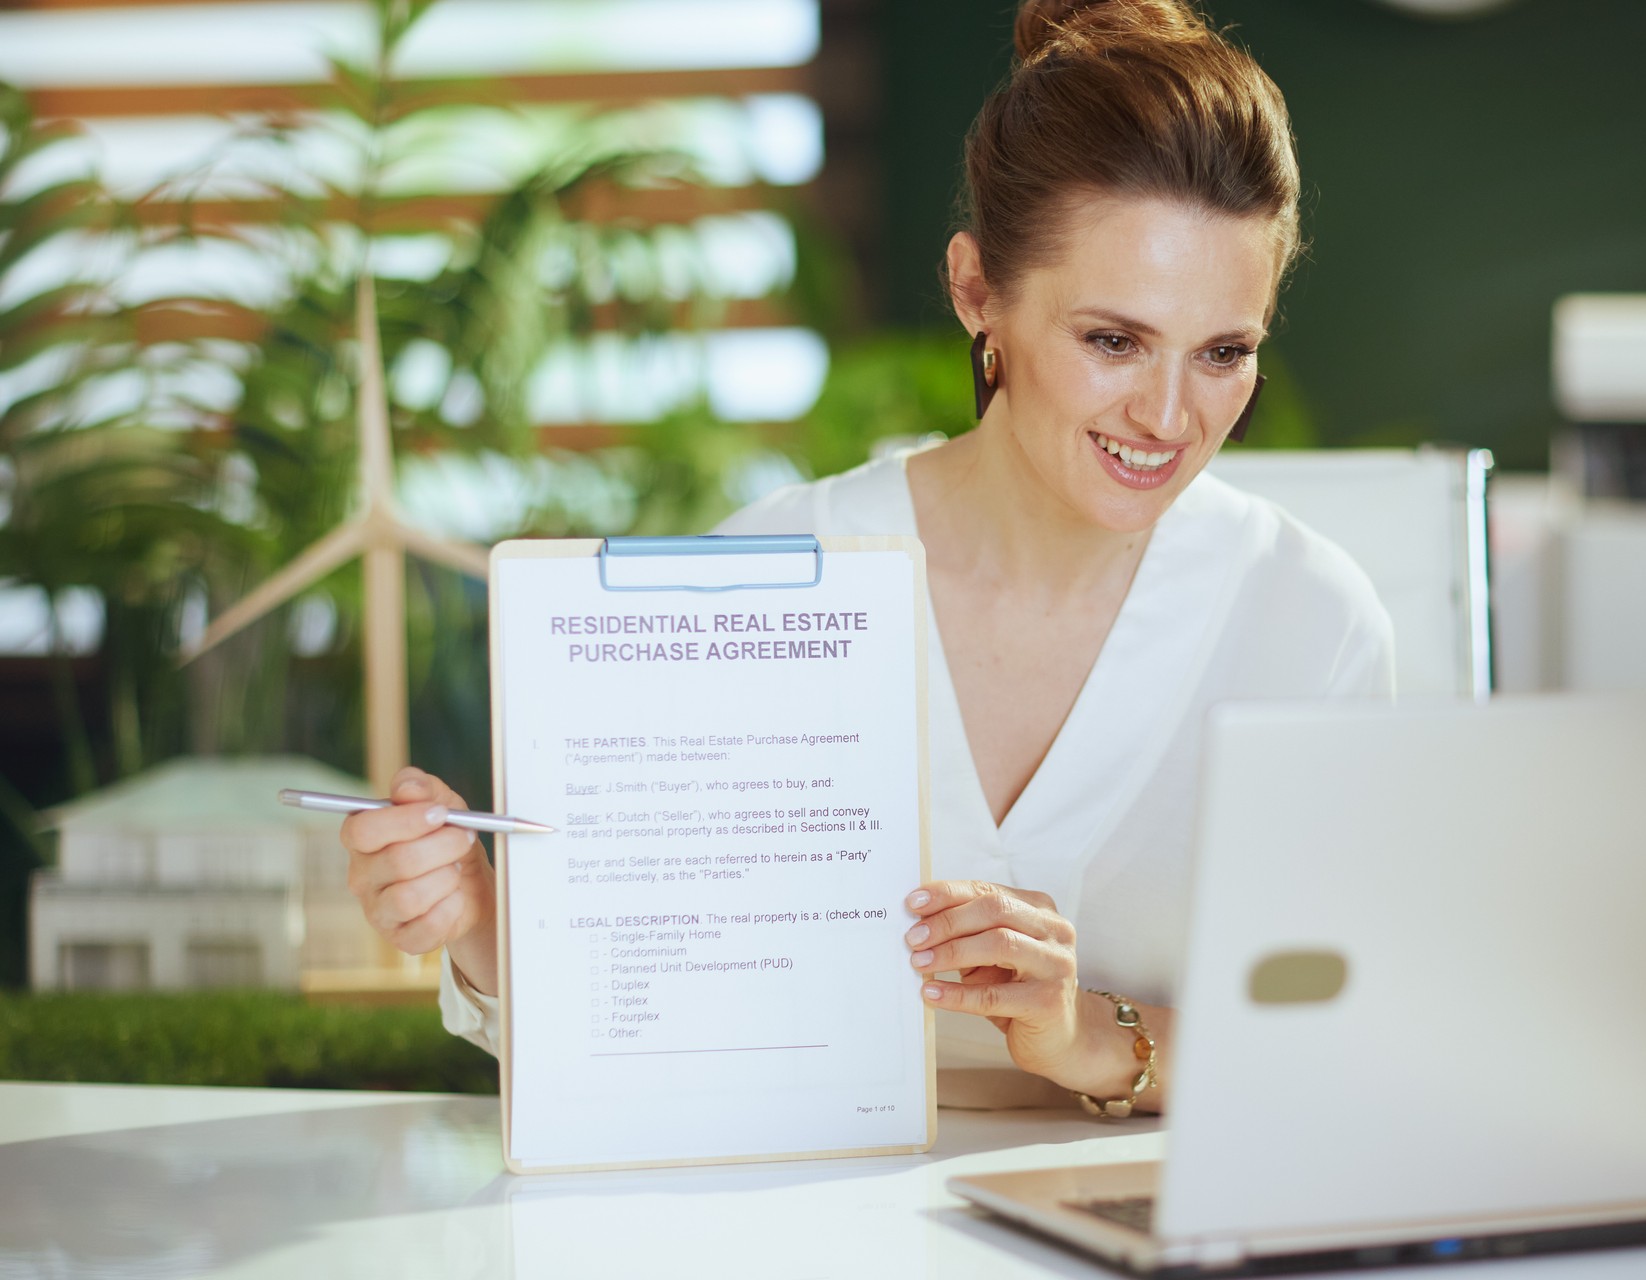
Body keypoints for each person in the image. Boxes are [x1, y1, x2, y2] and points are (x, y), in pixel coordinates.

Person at [341, 0, 1392, 1116]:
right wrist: (480, 920)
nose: (1170, 414)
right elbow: (632, 1028)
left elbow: (1347, 1039)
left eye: (1225, 352)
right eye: (1113, 340)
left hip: (1149, 1228)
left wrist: (1085, 1032)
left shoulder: (1309, 623)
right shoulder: (757, 580)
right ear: (975, 288)